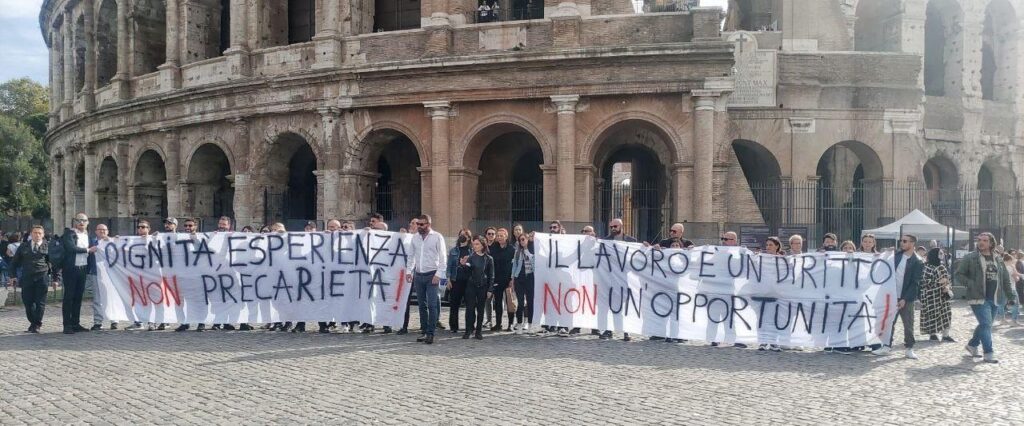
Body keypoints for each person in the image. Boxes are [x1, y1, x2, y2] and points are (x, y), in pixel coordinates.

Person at [956, 232, 1018, 363]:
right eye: (979, 240)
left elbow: (1005, 279)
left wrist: (1011, 296)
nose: (981, 242)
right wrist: (971, 283)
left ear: (991, 243)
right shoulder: (970, 257)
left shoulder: (998, 259)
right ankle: (988, 353)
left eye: (984, 240)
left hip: (995, 297)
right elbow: (959, 275)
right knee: (986, 324)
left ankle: (972, 345)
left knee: (986, 324)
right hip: (977, 297)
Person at [872, 234, 923, 359]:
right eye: (901, 241)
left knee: (908, 324)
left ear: (912, 243)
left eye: (905, 241)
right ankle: (886, 346)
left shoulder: (918, 261)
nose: (902, 243)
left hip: (906, 297)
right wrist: (886, 253)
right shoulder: (896, 256)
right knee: (888, 322)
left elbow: (915, 283)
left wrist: (905, 299)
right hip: (891, 296)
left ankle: (909, 348)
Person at [407, 214, 446, 344]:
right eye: (418, 224)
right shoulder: (415, 238)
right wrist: (409, 271)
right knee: (421, 305)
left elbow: (442, 258)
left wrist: (438, 274)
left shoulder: (437, 237)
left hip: (432, 275)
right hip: (419, 275)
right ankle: (424, 331)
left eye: (422, 224)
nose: (419, 226)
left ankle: (431, 333)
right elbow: (411, 256)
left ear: (428, 224)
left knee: (432, 304)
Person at [7, 226, 53, 333]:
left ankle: (37, 324)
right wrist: (12, 275)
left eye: (39, 233)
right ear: (31, 234)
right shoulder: (24, 246)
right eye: (35, 233)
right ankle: (33, 321)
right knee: (28, 302)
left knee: (40, 302)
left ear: (43, 234)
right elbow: (14, 262)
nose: (37, 235)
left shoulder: (48, 246)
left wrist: (56, 278)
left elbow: (53, 263)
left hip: (42, 276)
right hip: (27, 277)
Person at [60, 213, 97, 334]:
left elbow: (98, 244)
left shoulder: (88, 235)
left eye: (84, 220)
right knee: (69, 297)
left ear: (88, 222)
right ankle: (67, 324)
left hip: (83, 268)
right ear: (75, 221)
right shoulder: (69, 234)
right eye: (79, 220)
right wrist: (87, 250)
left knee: (78, 297)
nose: (82, 222)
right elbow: (71, 248)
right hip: (71, 269)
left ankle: (75, 323)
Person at [600, 218, 636, 341]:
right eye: (611, 227)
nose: (613, 229)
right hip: (609, 278)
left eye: (615, 226)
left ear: (621, 226)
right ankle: (609, 330)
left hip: (625, 279)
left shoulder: (631, 241)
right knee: (611, 305)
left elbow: (636, 259)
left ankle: (627, 331)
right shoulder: (605, 241)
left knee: (626, 307)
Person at [175, 218, 207, 332]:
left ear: (195, 227)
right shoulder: (180, 238)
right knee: (184, 301)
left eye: (190, 226)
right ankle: (185, 322)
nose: (188, 228)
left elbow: (203, 251)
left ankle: (201, 322)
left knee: (199, 300)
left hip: (198, 275)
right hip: (184, 275)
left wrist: (194, 238)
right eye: (186, 226)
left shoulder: (201, 238)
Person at [461, 236, 494, 340]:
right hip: (471, 285)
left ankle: (478, 331)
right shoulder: (471, 257)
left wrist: (490, 289)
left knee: (480, 309)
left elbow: (491, 275)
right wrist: (464, 265)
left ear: (483, 245)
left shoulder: (489, 259)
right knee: (470, 309)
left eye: (477, 244)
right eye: (474, 244)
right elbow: (467, 272)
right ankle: (468, 330)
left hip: (483, 286)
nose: (474, 246)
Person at [919, 247, 954, 342]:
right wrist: (938, 282)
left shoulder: (942, 266)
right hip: (931, 296)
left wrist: (947, 285)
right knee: (932, 314)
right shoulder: (927, 267)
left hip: (943, 295)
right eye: (940, 254)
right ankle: (933, 334)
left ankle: (945, 335)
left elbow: (947, 279)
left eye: (942, 254)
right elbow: (924, 282)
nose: (942, 256)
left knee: (946, 314)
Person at [87, 224, 117, 330]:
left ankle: (114, 320)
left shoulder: (113, 242)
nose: (102, 232)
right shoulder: (91, 242)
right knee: (97, 298)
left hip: (111, 274)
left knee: (112, 297)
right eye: (100, 230)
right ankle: (98, 321)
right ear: (96, 232)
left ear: (108, 231)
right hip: (96, 273)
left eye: (104, 230)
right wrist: (90, 250)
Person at [126, 220, 155, 331]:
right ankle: (138, 321)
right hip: (137, 274)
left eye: (143, 227)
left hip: (151, 274)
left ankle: (151, 322)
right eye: (139, 227)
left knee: (151, 299)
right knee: (137, 299)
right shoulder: (133, 241)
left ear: (148, 229)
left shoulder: (153, 239)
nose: (141, 229)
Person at [446, 228, 473, 334]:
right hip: (455, 280)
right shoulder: (453, 250)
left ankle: (470, 326)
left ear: (469, 237)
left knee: (470, 305)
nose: (462, 236)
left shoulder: (472, 251)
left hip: (469, 281)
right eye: (460, 234)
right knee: (454, 304)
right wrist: (448, 279)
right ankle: (453, 326)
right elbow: (449, 266)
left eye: (465, 235)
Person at [489, 228, 515, 332]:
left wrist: (512, 279)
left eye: (501, 236)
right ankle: (498, 324)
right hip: (497, 279)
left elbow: (514, 265)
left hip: (508, 279)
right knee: (498, 302)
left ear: (506, 237)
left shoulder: (511, 249)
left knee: (510, 302)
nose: (499, 237)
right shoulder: (493, 248)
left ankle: (510, 324)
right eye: (498, 236)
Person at [510, 232, 535, 334]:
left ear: (528, 239)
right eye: (520, 240)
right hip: (519, 278)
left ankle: (530, 325)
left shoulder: (533, 250)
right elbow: (514, 266)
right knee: (520, 303)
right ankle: (519, 325)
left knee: (530, 302)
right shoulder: (517, 252)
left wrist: (528, 253)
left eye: (523, 239)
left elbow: (535, 263)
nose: (522, 241)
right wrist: (512, 279)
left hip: (530, 278)